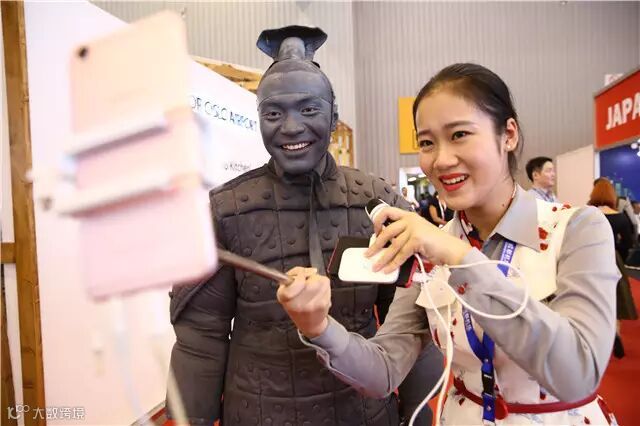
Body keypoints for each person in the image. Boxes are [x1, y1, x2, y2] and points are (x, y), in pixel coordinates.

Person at [276, 63, 620, 425]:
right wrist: (318, 327)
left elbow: (579, 373)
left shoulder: (578, 229)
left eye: (459, 135)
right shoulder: (427, 248)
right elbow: (383, 371)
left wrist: (458, 256)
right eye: (426, 143)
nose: (440, 160)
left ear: (508, 135)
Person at [166, 25, 441, 426]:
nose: (292, 127)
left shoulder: (378, 202)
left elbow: (413, 331)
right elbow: (200, 341)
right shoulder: (227, 209)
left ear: (333, 116)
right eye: (273, 114)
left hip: (361, 412)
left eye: (309, 110)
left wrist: (420, 417)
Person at [588, 178, 638, 358]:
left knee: (593, 297)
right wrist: (618, 255)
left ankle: (597, 336)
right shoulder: (620, 217)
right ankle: (615, 332)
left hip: (591, 259)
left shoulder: (588, 214)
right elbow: (629, 242)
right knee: (616, 297)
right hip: (612, 259)